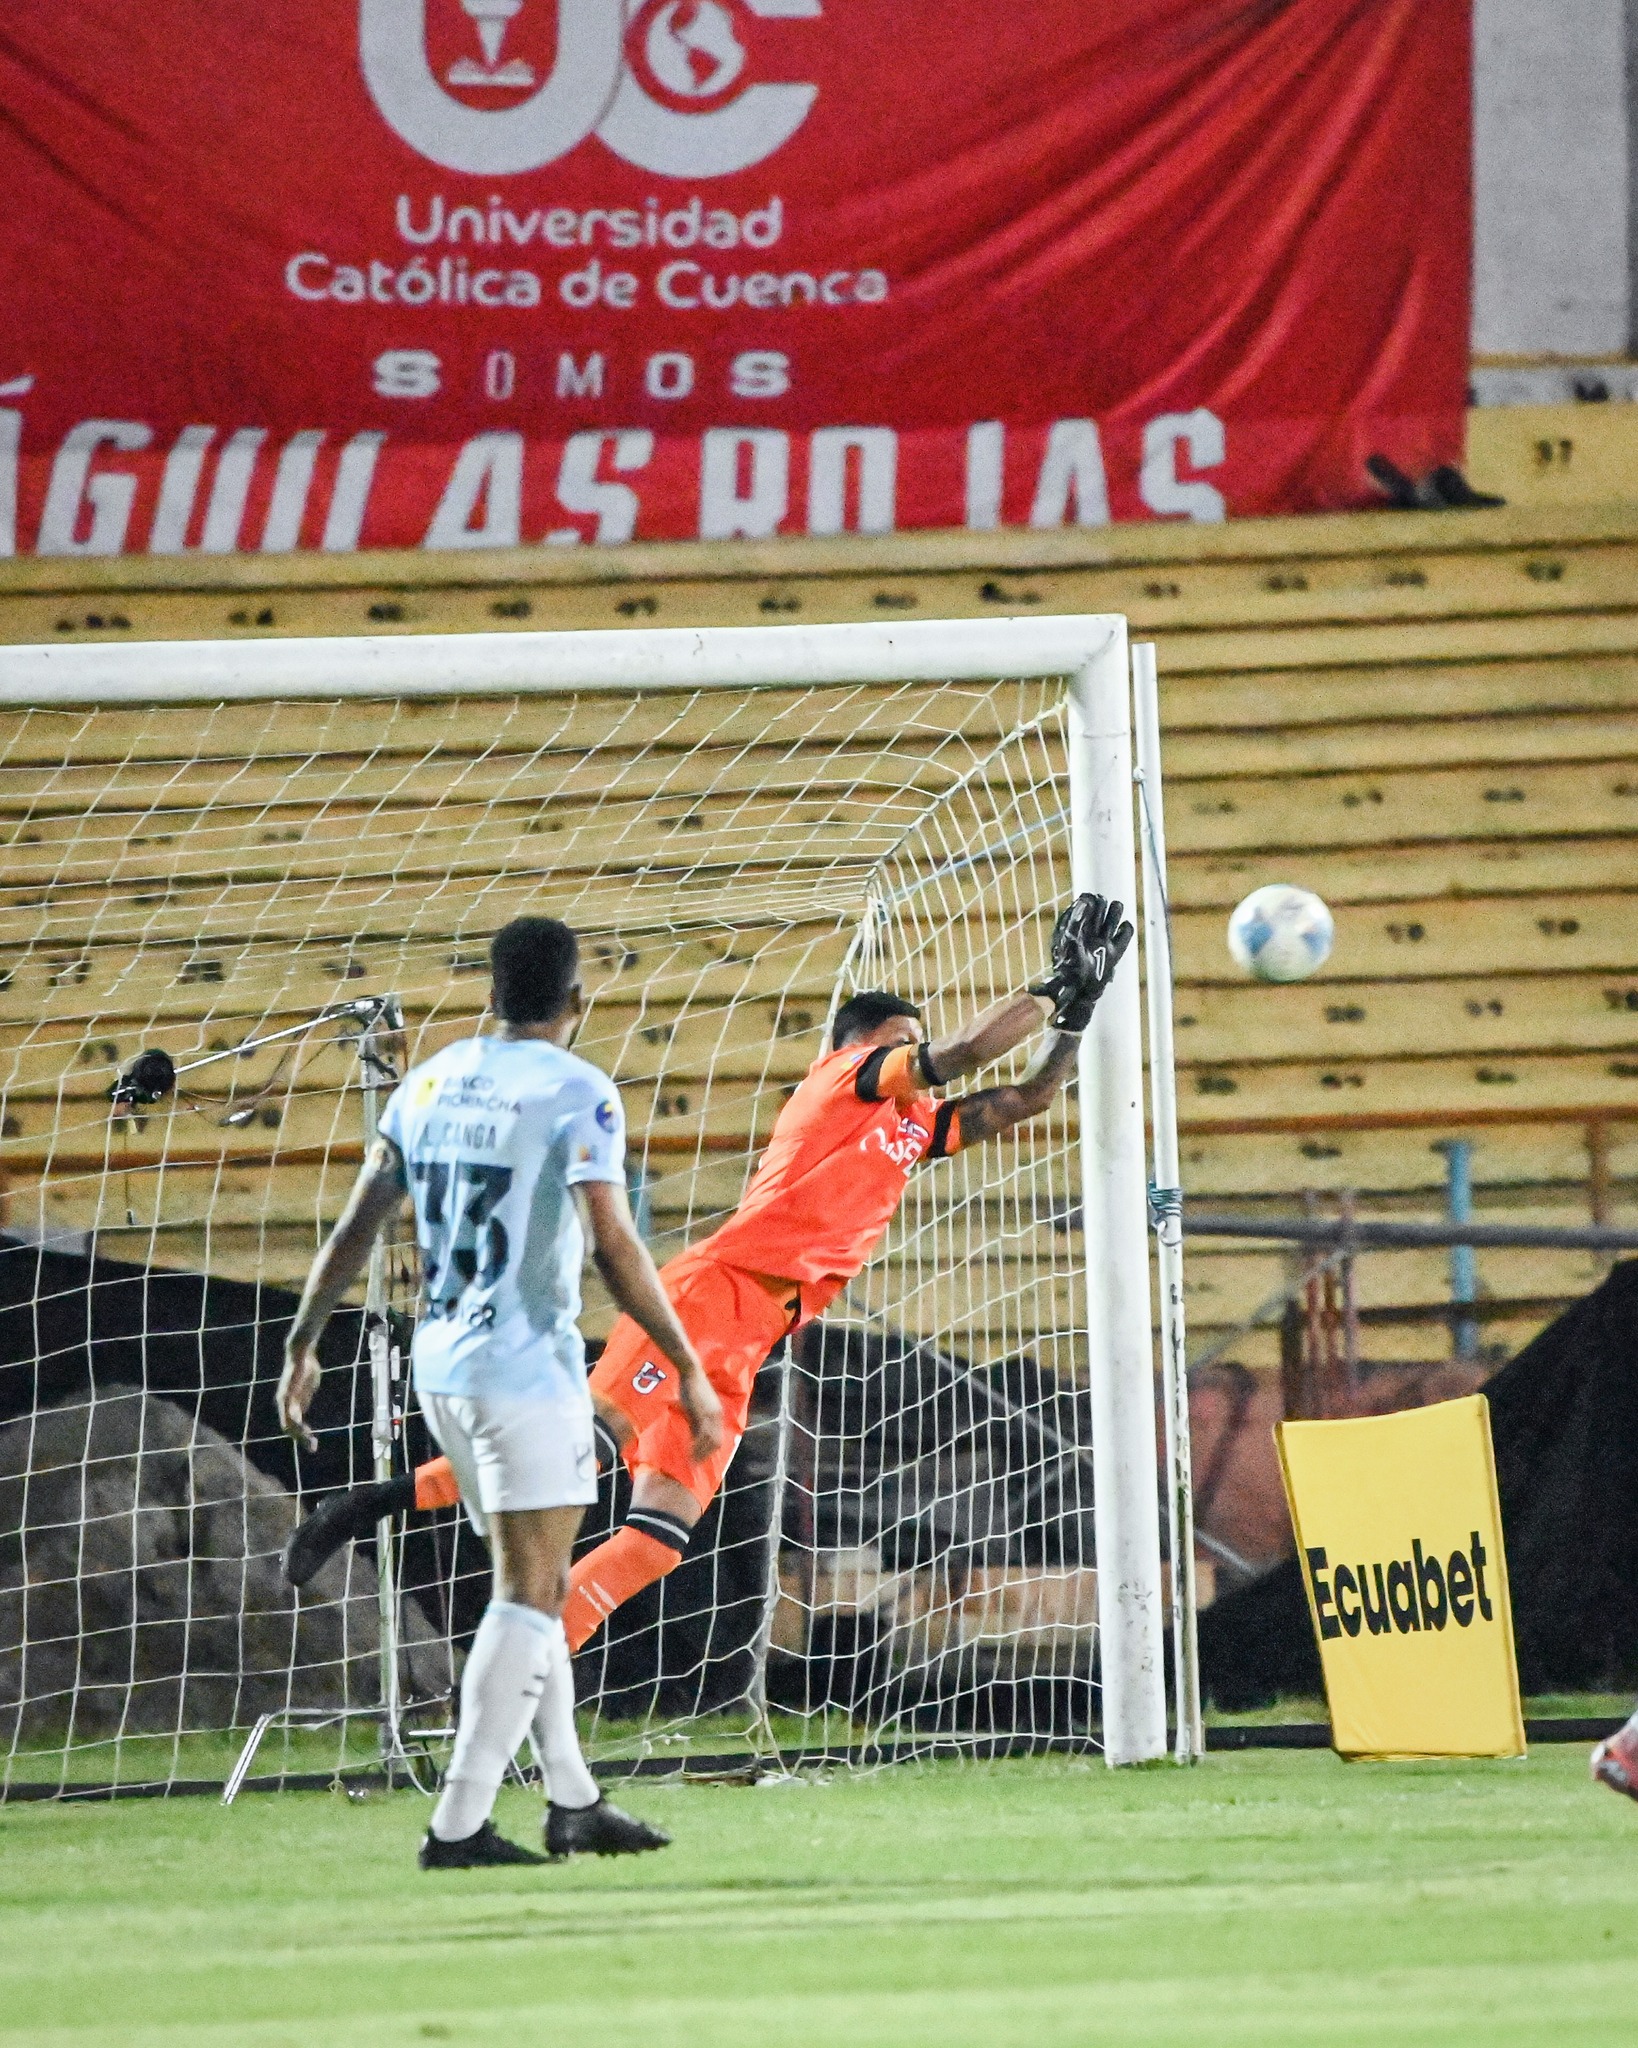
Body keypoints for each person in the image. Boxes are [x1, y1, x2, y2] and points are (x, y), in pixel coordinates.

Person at [284, 892, 1131, 1665]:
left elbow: (1022, 1100)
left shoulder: (910, 1130)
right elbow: (964, 1054)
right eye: (903, 1040)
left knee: (657, 1539)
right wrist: (1052, 984)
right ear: (859, 1048)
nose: (916, 1053)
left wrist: (1078, 1015)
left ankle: (527, 1672)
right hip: (710, 1297)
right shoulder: (841, 1086)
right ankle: (368, 1507)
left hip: (752, 1338)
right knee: (581, 1449)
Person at [275, 916, 723, 1869]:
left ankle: (573, 1799)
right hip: (525, 1373)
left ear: (488, 991)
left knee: (532, 1582)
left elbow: (361, 1223)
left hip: (443, 1365)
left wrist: (305, 1339)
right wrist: (686, 1365)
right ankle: (459, 1824)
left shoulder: (428, 1080)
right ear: (577, 1002)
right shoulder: (577, 1090)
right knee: (530, 1595)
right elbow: (613, 1244)